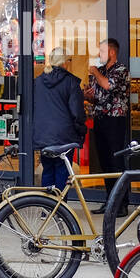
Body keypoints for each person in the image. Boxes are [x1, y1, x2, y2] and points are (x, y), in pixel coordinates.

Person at [32, 47, 86, 188]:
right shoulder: (71, 82)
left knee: (48, 170)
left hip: (43, 135)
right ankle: (60, 207)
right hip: (64, 136)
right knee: (62, 171)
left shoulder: (38, 82)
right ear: (64, 62)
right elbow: (77, 112)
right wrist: (81, 131)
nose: (69, 63)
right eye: (69, 60)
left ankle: (47, 207)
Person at [86, 38, 129, 213]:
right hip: (100, 119)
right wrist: (88, 96)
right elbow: (97, 95)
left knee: (116, 162)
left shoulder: (121, 70)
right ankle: (109, 202)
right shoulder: (102, 71)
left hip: (115, 119)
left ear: (112, 52)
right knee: (104, 162)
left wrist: (95, 72)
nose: (99, 55)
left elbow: (108, 85)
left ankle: (121, 204)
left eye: (102, 51)